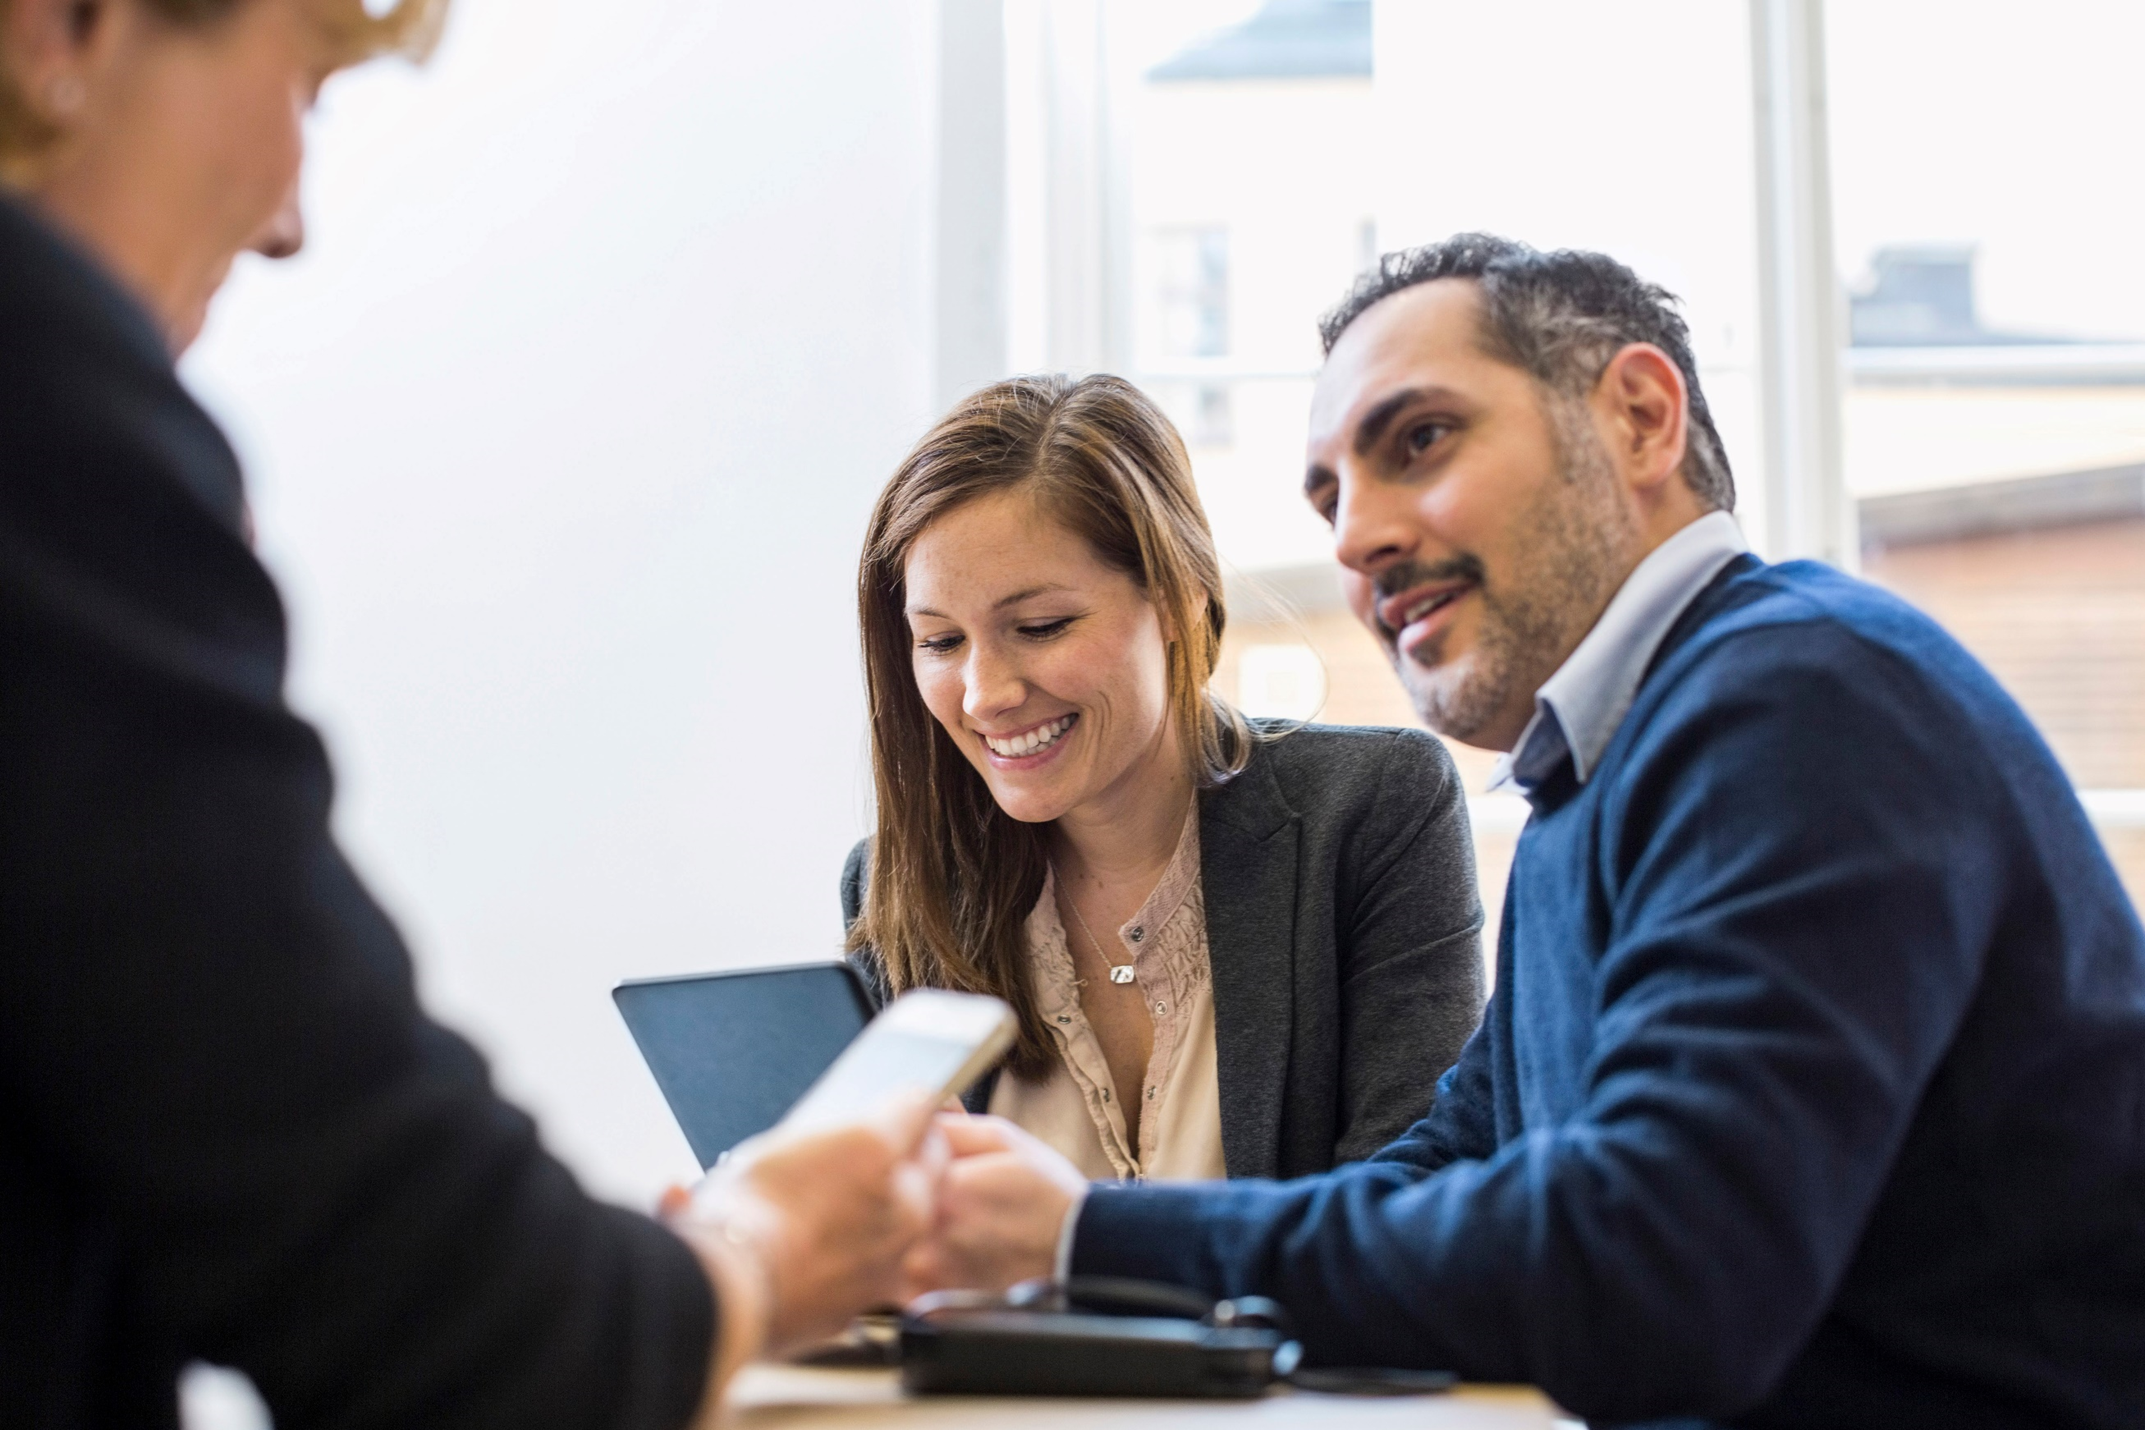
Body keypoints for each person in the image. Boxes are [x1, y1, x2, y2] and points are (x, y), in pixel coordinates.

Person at [907, 236, 2145, 1428]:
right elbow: (1456, 1162)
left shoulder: (1795, 696)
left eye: (1421, 440)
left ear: (1641, 418)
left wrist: (1084, 1233)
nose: (1355, 535)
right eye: (1332, 493)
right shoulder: (1605, 769)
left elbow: (1662, 1265)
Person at [0, 2, 940, 1426]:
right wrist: (762, 1253)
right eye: (307, 82)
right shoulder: (45, 403)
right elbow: (424, 1293)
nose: (289, 221)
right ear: (56, 28)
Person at [841, 374, 1484, 1183]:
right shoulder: (898, 887)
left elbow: (1412, 1214)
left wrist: (1070, 1234)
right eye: (939, 642)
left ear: (1178, 598)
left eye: (1039, 627)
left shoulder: (1370, 811)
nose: (984, 695)